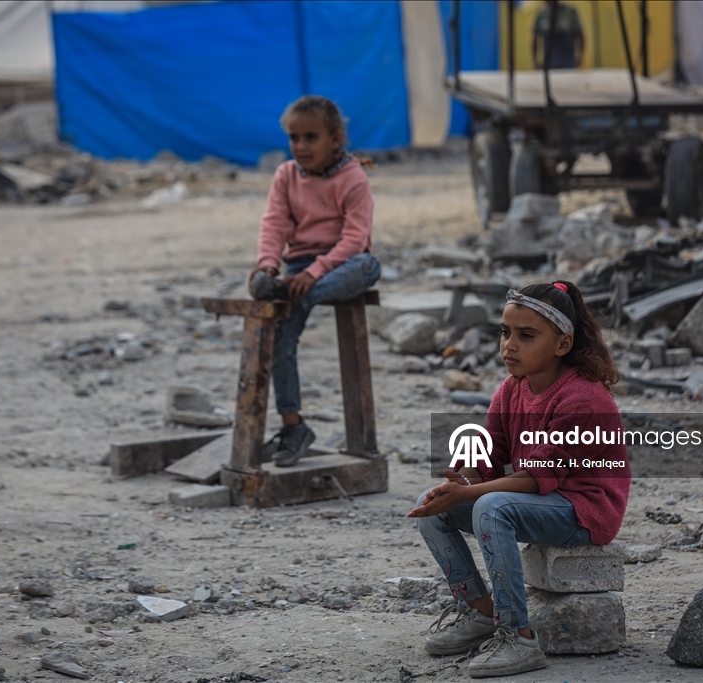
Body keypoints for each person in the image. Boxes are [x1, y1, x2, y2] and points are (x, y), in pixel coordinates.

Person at [408, 281, 629, 679]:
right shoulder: (512, 391)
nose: (509, 345)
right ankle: (479, 613)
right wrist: (468, 471)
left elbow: (534, 478)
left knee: (493, 508)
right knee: (431, 505)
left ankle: (518, 637)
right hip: (540, 502)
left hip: (584, 510)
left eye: (526, 336)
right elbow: (494, 450)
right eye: (505, 332)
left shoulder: (584, 399)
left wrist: (472, 492)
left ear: (562, 344)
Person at [248, 95, 381, 467]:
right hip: (299, 267)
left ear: (335, 138)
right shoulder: (286, 176)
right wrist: (268, 266)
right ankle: (294, 426)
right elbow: (274, 225)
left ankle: (294, 295)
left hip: (344, 266)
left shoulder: (353, 177)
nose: (301, 146)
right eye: (295, 138)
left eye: (311, 137)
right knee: (279, 340)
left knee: (368, 266)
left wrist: (312, 275)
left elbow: (355, 239)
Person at [532, 0, 584, 70]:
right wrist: (535, 61)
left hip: (568, 63)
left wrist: (580, 56)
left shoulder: (570, 12)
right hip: (549, 64)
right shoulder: (542, 14)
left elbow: (580, 36)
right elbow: (535, 39)